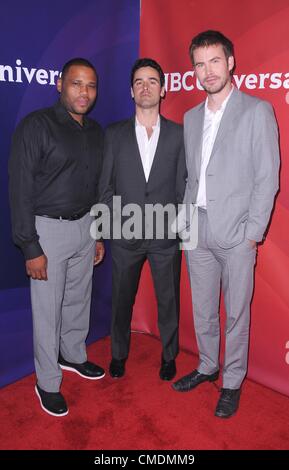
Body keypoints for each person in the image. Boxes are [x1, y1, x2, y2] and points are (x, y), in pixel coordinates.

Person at [172, 31, 280, 418]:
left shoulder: (256, 111)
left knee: (236, 312)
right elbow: (192, 178)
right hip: (197, 229)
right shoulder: (189, 117)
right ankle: (207, 366)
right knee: (203, 310)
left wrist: (252, 235)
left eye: (214, 61)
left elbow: (268, 178)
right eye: (199, 64)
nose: (207, 71)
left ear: (230, 62)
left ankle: (232, 381)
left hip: (237, 235)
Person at [9, 58, 105, 417]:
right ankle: (47, 382)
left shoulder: (95, 131)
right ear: (60, 84)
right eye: (77, 84)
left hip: (85, 227)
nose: (85, 92)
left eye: (91, 86)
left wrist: (96, 233)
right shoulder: (36, 126)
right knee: (48, 312)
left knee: (79, 299)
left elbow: (96, 187)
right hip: (47, 231)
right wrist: (30, 246)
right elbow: (20, 190)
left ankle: (73, 356)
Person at [98, 58, 187, 381]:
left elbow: (183, 187)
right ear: (131, 91)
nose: (145, 87)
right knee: (121, 300)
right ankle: (118, 354)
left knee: (169, 302)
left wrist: (180, 232)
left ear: (163, 90)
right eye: (139, 82)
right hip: (125, 235)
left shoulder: (179, 134)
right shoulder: (114, 134)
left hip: (166, 236)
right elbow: (104, 187)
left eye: (152, 81)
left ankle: (169, 356)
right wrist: (108, 231)